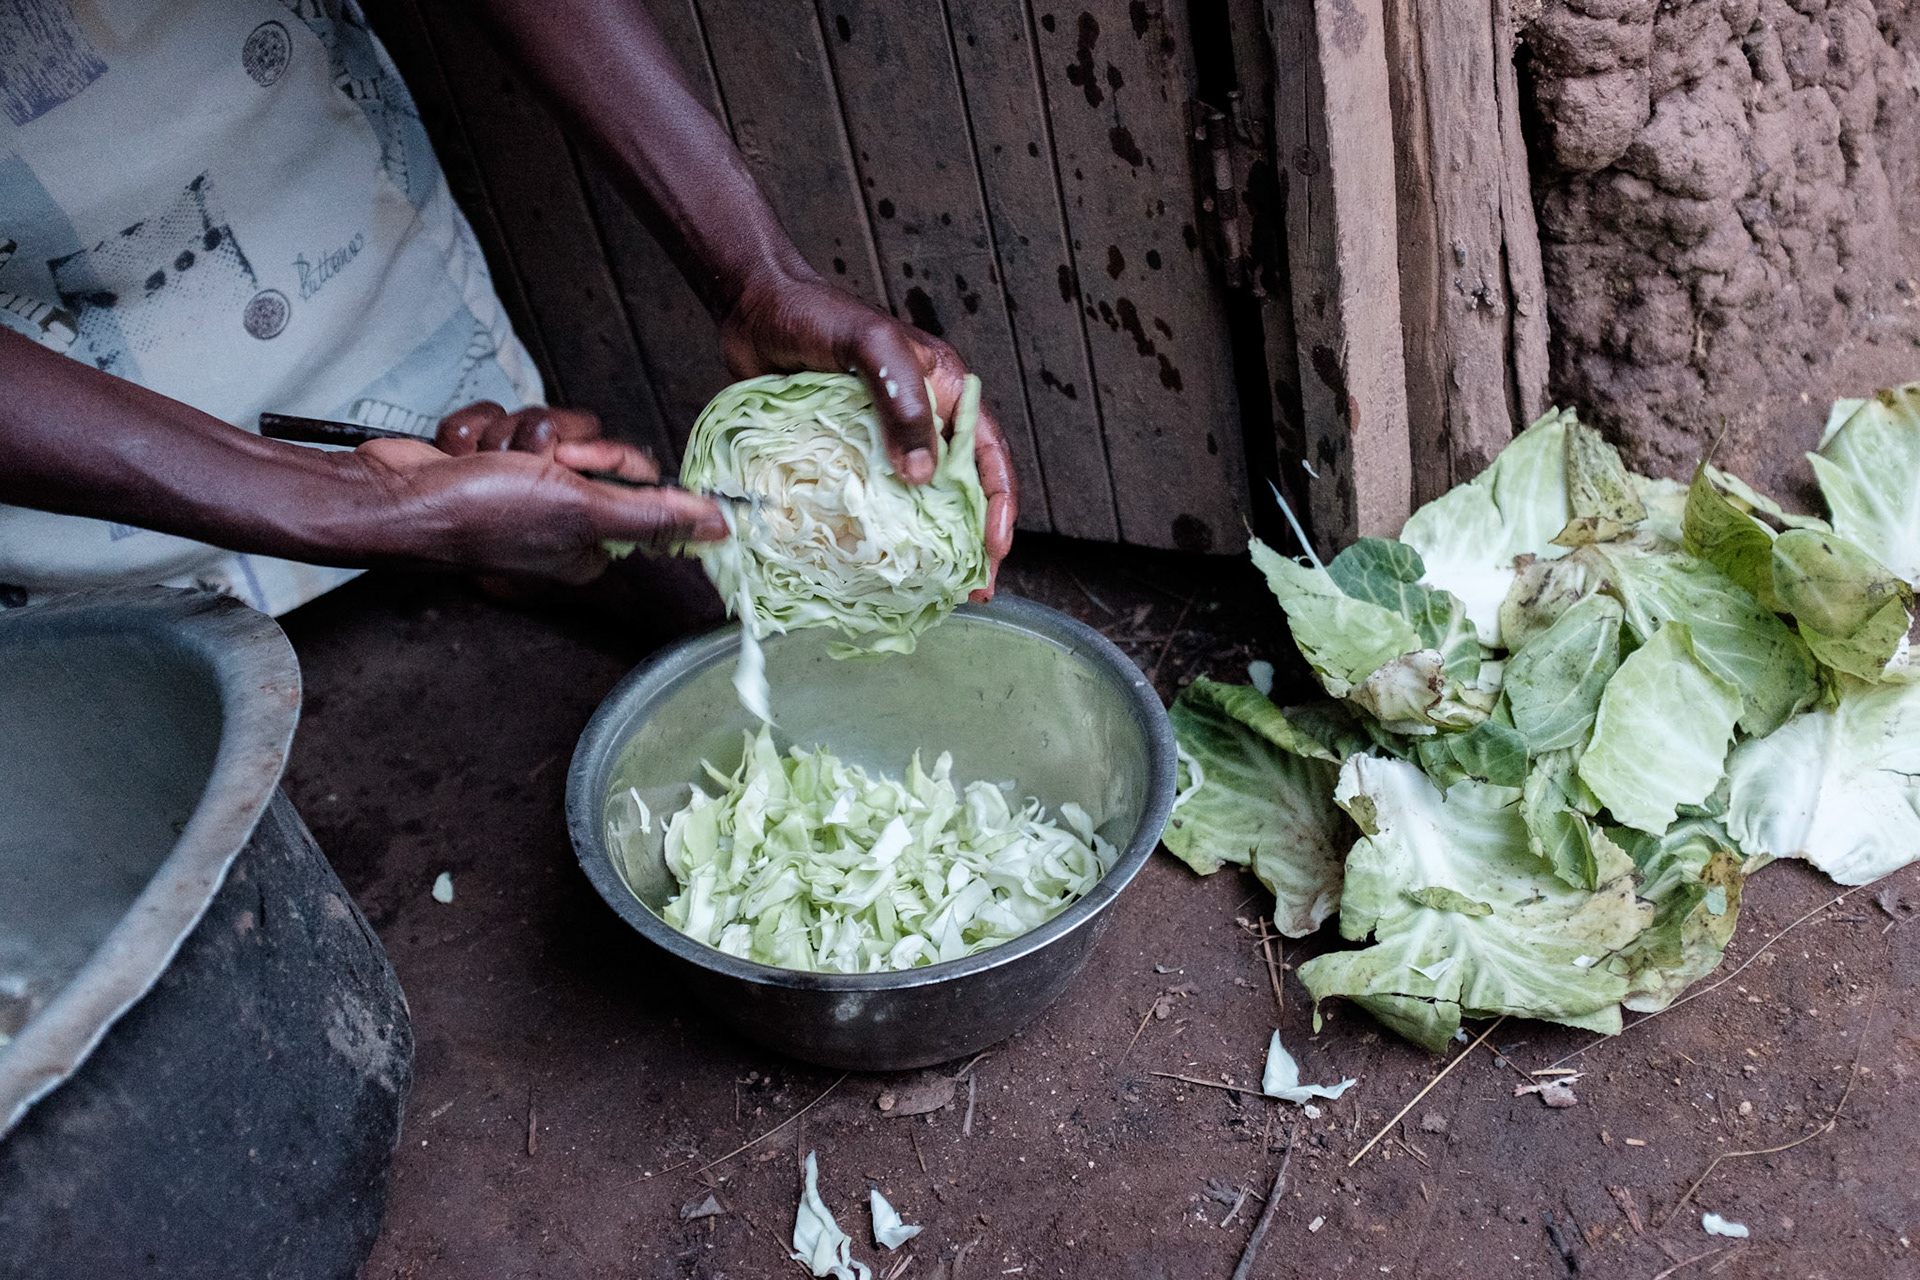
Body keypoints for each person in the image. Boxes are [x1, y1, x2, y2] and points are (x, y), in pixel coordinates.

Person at [0, 0, 1016, 614]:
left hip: (337, 241)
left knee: (514, 481)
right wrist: (361, 508)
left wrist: (757, 276)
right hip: (53, 492)